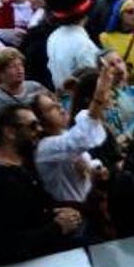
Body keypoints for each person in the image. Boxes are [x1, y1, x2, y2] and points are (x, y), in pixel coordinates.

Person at [0, 104, 83, 266]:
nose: (39, 130)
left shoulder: (22, 165)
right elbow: (7, 243)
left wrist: (58, 212)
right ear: (10, 132)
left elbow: (33, 211)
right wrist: (57, 226)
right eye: (32, 126)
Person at [30, 67, 116, 204]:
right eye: (51, 108)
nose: (59, 107)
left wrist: (94, 169)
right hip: (71, 211)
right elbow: (75, 141)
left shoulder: (64, 133)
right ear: (39, 120)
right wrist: (98, 97)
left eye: (57, 103)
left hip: (90, 204)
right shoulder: (44, 148)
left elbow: (84, 161)